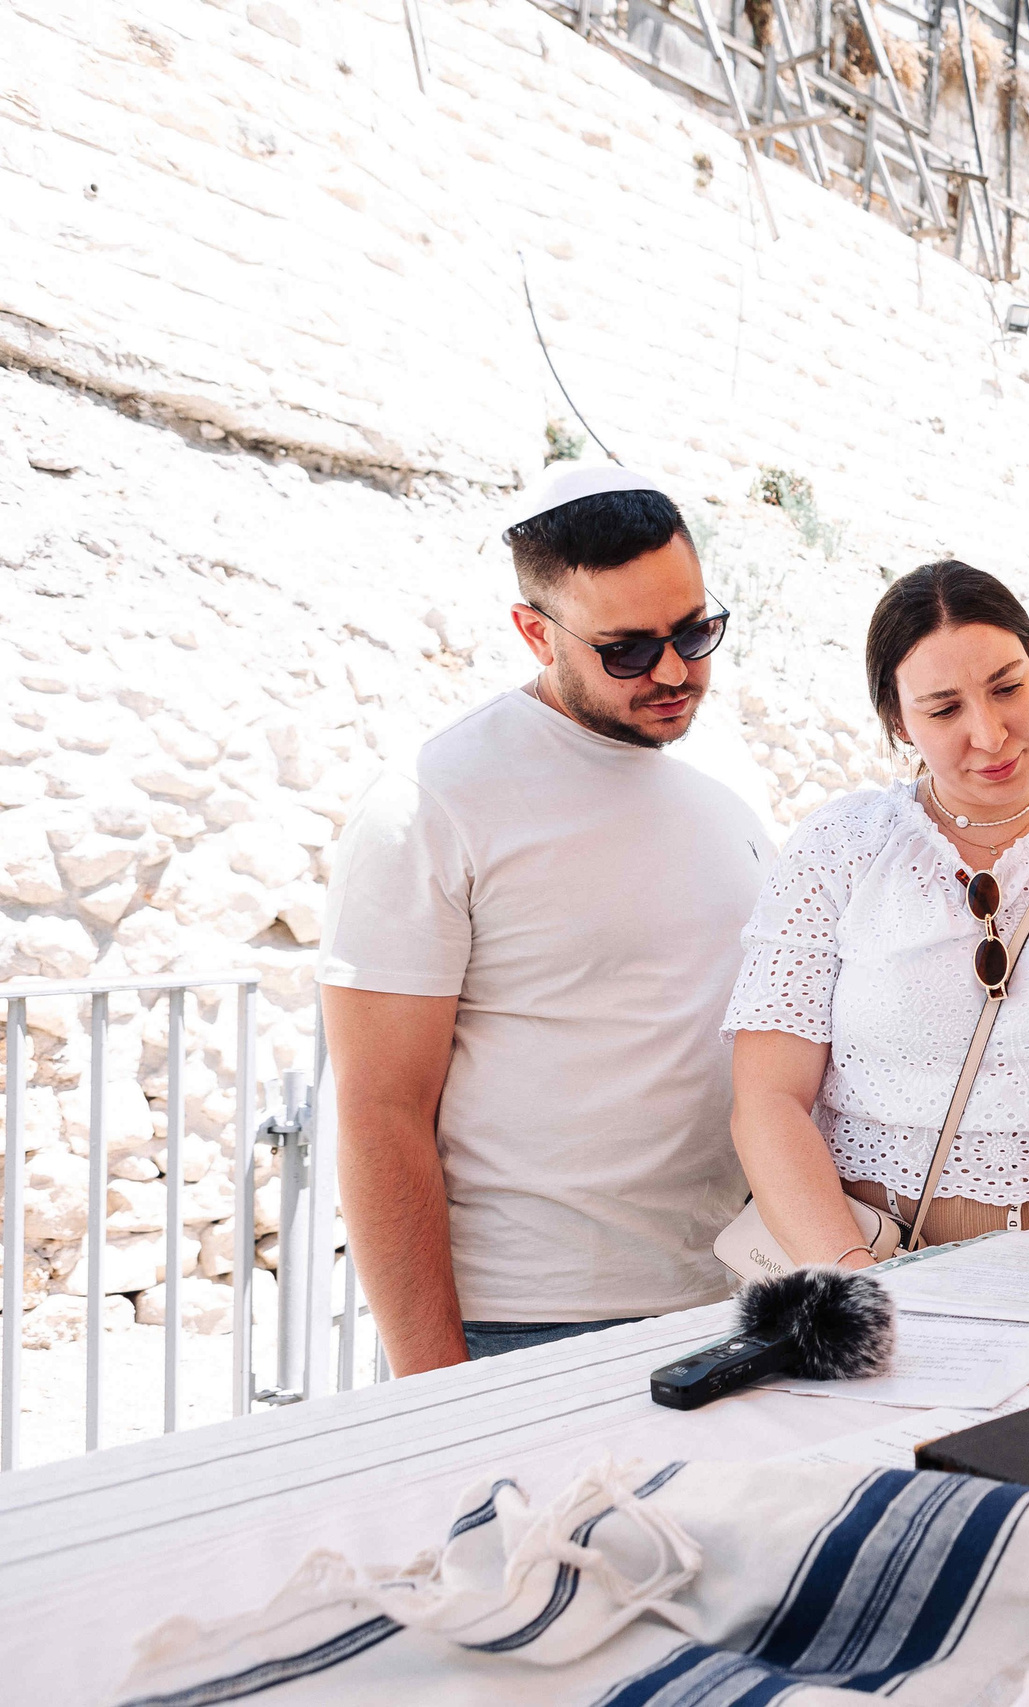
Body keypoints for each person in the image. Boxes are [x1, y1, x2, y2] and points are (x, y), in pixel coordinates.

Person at [322, 465, 769, 1372]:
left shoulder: (725, 797)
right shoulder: (431, 804)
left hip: (725, 1305)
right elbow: (380, 1114)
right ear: (535, 632)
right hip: (523, 1326)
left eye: (694, 631)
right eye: (627, 649)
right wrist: (435, 1388)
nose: (674, 670)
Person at [723, 560, 1029, 1261]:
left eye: (1007, 688)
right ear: (898, 720)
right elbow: (767, 1101)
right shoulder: (841, 846)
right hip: (863, 1266)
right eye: (944, 709)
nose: (989, 734)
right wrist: (860, 1284)